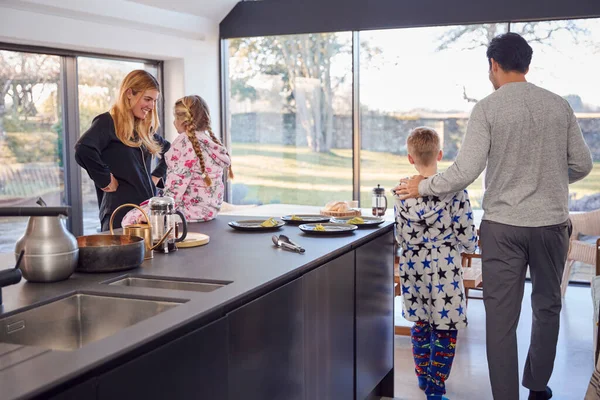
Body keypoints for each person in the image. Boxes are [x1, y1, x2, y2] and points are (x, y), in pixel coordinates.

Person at [395, 33, 593, 400]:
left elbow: (465, 171)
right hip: (551, 226)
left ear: (494, 65)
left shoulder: (487, 108)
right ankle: (537, 386)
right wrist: (546, 178)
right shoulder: (559, 106)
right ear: (527, 65)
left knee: (501, 320)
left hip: (503, 228)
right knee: (547, 306)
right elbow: (583, 164)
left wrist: (421, 187)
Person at [394, 127, 477, 400]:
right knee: (445, 326)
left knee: (420, 323)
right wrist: (469, 247)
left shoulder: (401, 193)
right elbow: (467, 236)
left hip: (413, 269)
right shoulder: (455, 192)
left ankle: (422, 376)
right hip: (446, 270)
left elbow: (399, 235)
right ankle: (436, 385)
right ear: (440, 154)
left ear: (410, 158)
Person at [75, 69, 170, 231]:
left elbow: (169, 150)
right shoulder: (107, 122)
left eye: (154, 101)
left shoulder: (143, 128)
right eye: (147, 99)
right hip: (118, 213)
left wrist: (156, 176)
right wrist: (104, 178)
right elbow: (83, 149)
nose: (151, 106)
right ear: (129, 93)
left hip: (144, 213)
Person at [121, 95, 232, 226]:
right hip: (209, 212)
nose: (174, 122)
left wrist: (154, 213)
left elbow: (176, 187)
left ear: (183, 121)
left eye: (175, 118)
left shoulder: (184, 143)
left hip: (187, 212)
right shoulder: (210, 142)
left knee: (130, 218)